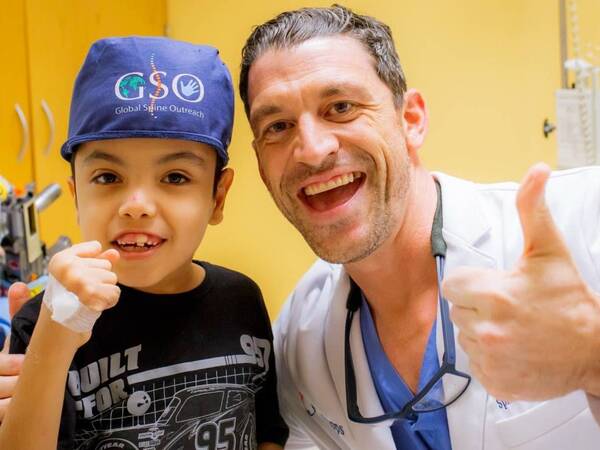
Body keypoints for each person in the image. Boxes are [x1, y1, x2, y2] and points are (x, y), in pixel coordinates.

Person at [237, 5, 600, 449]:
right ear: (259, 164)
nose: (311, 150)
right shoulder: (298, 336)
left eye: (341, 107)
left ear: (411, 119)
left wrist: (591, 355)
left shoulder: (583, 220)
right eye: (278, 126)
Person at [0, 36, 288, 450]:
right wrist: (54, 338)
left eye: (174, 178)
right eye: (108, 177)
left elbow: (267, 430)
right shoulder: (47, 320)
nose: (136, 205)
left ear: (217, 197)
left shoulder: (241, 300)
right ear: (77, 195)